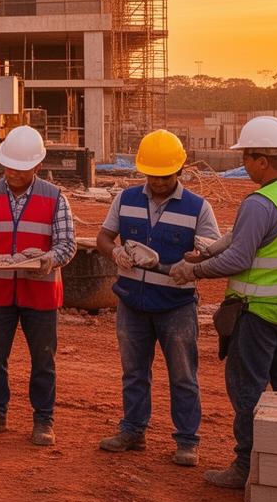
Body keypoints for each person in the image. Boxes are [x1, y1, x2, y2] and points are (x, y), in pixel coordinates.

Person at [170, 115, 277, 489]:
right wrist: (206, 252)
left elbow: (240, 259)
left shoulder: (259, 202)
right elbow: (245, 238)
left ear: (263, 160)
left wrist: (194, 272)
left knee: (246, 389)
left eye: (247, 159)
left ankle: (245, 467)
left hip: (257, 313)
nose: (244, 165)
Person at [94, 129, 222, 466]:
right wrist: (116, 252)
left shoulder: (198, 208)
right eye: (152, 175)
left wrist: (191, 263)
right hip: (132, 302)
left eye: (165, 176)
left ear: (180, 170)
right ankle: (133, 430)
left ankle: (187, 440)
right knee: (134, 372)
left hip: (175, 306)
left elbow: (212, 250)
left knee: (182, 375)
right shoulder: (125, 199)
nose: (159, 182)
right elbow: (104, 237)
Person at [0, 125, 75, 447]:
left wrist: (50, 258)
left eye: (21, 169)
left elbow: (67, 244)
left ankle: (43, 419)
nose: (13, 174)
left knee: (43, 360)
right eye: (9, 167)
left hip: (40, 293)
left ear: (37, 167)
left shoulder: (55, 198)